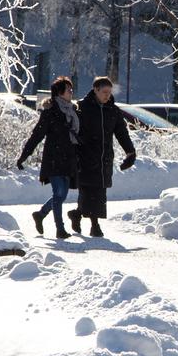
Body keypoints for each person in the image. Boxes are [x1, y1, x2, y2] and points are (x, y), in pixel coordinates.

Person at [68, 77, 136, 237]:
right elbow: (72, 131)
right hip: (84, 156)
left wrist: (130, 152)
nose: (107, 95)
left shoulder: (113, 110)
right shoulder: (82, 107)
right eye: (104, 92)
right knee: (88, 190)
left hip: (104, 157)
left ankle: (77, 214)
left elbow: (121, 133)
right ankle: (95, 225)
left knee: (99, 192)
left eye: (109, 92)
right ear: (95, 90)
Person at [17, 76, 80, 240]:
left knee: (62, 195)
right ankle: (60, 229)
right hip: (54, 159)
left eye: (71, 90)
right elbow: (37, 135)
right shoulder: (50, 112)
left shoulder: (73, 111)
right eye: (68, 90)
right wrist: (24, 156)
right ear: (59, 93)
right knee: (58, 193)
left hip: (69, 159)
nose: (71, 93)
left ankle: (41, 214)